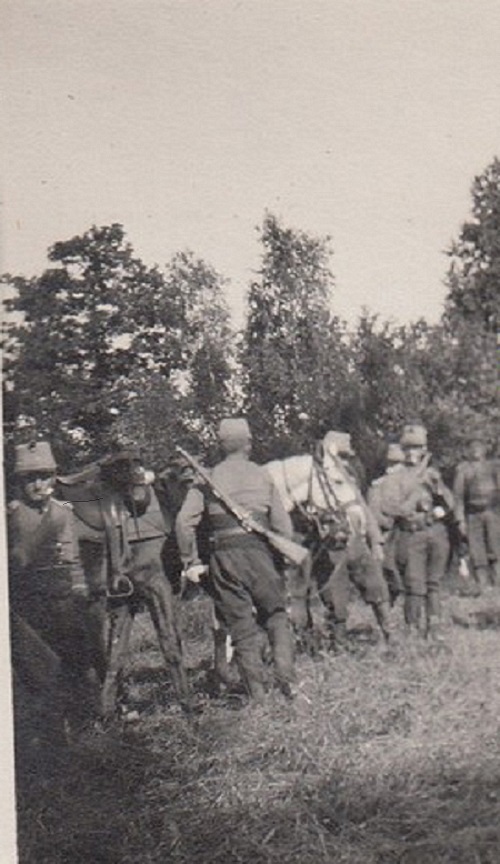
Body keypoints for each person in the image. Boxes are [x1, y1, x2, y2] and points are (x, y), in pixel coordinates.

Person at [175, 418, 296, 704]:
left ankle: (259, 697)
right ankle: (288, 682)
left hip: (224, 560)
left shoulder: (207, 478)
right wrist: (279, 560)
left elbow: (183, 523)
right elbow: (284, 528)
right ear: (249, 445)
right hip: (260, 555)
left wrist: (189, 561)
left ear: (221, 447)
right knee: (277, 616)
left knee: (241, 628)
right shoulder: (263, 475)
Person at [7, 440, 94, 741]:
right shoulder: (12, 516)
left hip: (63, 596)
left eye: (43, 476)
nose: (37, 484)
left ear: (53, 478)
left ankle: (82, 724)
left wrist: (79, 586)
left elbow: (72, 555)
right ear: (19, 482)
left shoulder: (63, 512)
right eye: (30, 478)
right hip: (29, 601)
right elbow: (15, 562)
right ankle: (50, 733)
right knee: (40, 670)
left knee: (76, 659)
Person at [316, 431, 394, 651]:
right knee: (335, 597)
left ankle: (389, 635)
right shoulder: (318, 475)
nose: (346, 454)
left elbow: (363, 507)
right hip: (333, 546)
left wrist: (376, 540)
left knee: (376, 587)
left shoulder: (350, 473)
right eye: (342, 450)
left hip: (357, 542)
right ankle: (338, 645)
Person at [378, 424, 454, 639]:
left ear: (424, 449)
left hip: (436, 532)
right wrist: (415, 488)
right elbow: (393, 509)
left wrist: (439, 490)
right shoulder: (395, 478)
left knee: (434, 583)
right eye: (408, 448)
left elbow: (450, 504)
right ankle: (412, 628)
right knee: (414, 584)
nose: (412, 452)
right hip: (411, 535)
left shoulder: (431, 473)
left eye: (417, 448)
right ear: (402, 450)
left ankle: (435, 627)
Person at [453, 430, 500, 591]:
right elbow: (458, 497)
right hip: (473, 514)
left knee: (495, 546)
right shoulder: (463, 470)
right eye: (472, 446)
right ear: (467, 450)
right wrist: (460, 520)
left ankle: (497, 582)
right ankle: (482, 584)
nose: (476, 449)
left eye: (479, 445)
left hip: (493, 512)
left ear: (485, 448)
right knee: (476, 548)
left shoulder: (494, 466)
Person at [367, 442, 405, 604]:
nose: (395, 468)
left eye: (398, 464)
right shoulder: (378, 485)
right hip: (389, 533)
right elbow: (373, 513)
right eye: (392, 464)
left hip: (410, 532)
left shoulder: (412, 483)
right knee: (388, 568)